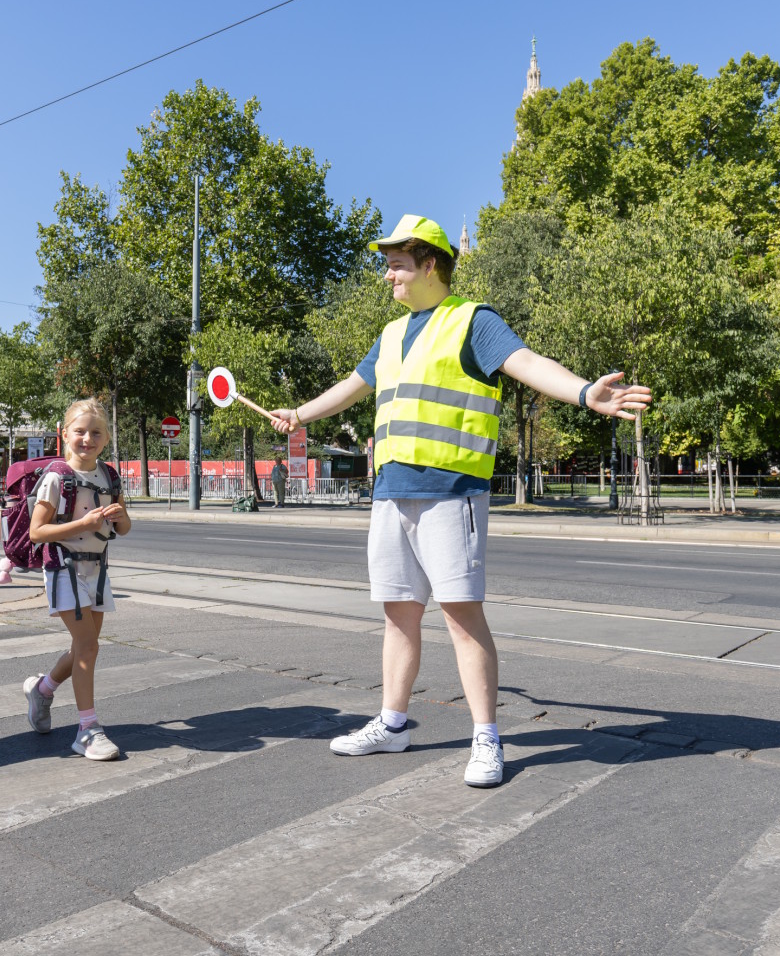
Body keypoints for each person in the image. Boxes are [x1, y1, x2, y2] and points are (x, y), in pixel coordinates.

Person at [270, 215, 651, 788]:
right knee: (398, 614)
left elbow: (527, 363)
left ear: (430, 265)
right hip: (391, 494)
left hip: (451, 494)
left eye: (397, 264)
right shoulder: (392, 334)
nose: (388, 275)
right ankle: (392, 724)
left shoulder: (474, 320)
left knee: (461, 617)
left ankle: (487, 737)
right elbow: (354, 385)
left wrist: (582, 392)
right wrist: (298, 414)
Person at [21, 398, 132, 761]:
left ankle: (42, 689)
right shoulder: (56, 477)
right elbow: (37, 532)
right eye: (80, 431)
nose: (88, 439)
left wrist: (120, 517)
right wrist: (82, 524)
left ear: (106, 438)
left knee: (85, 645)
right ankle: (87, 730)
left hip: (97, 570)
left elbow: (124, 528)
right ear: (65, 433)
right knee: (88, 646)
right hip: (63, 568)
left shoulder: (110, 476)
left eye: (96, 433)